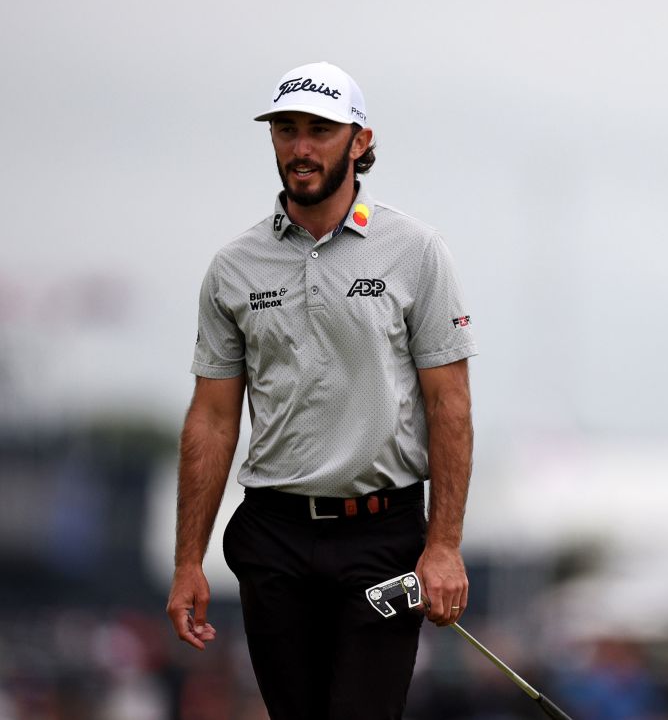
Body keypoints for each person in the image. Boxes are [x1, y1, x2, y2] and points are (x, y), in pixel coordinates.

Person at [165, 61, 478, 720]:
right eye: (286, 130)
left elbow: (449, 404)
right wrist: (187, 560)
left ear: (359, 141)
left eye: (320, 130)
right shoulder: (233, 267)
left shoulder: (416, 251)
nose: (301, 147)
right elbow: (213, 421)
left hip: (383, 535)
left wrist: (443, 545)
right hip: (273, 534)